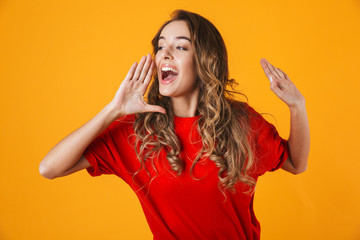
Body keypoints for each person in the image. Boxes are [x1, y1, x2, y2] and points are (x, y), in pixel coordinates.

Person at [39, 9, 310, 240]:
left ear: (207, 60)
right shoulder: (138, 132)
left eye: (180, 46)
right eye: (160, 47)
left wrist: (297, 106)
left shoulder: (242, 123)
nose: (164, 54)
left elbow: (296, 164)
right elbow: (49, 168)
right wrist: (113, 110)